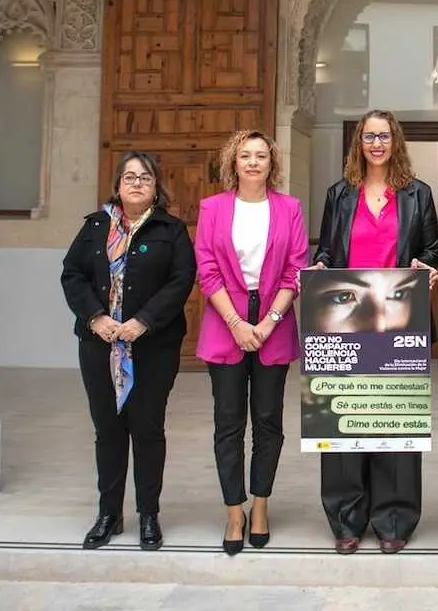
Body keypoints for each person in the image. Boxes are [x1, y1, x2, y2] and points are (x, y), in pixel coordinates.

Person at [307, 109, 438, 554]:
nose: (377, 144)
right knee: (345, 420)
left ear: (395, 141)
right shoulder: (340, 194)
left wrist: (429, 267)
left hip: (398, 323)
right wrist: (322, 267)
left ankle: (395, 518)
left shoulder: (418, 195)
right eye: (369, 136)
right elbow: (327, 249)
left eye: (384, 136)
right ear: (359, 143)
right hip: (345, 324)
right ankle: (347, 518)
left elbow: (432, 251)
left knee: (393, 420)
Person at [60, 151, 197, 551]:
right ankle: (109, 513)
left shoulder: (170, 229)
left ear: (156, 188)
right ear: (117, 184)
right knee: (108, 430)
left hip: (152, 345)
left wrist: (143, 321)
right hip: (99, 344)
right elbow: (73, 274)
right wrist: (96, 318)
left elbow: (181, 279)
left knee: (148, 428)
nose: (137, 183)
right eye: (129, 177)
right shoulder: (95, 226)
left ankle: (149, 514)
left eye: (145, 178)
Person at [193, 130, 307, 555]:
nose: (254, 162)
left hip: (273, 324)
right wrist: (237, 322)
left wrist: (271, 319)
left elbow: (295, 269)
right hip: (226, 322)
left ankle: (261, 504)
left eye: (261, 156)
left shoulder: (289, 208)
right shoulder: (213, 207)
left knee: (267, 422)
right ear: (234, 162)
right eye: (246, 156)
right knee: (228, 423)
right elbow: (207, 269)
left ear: (271, 163)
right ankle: (234, 510)